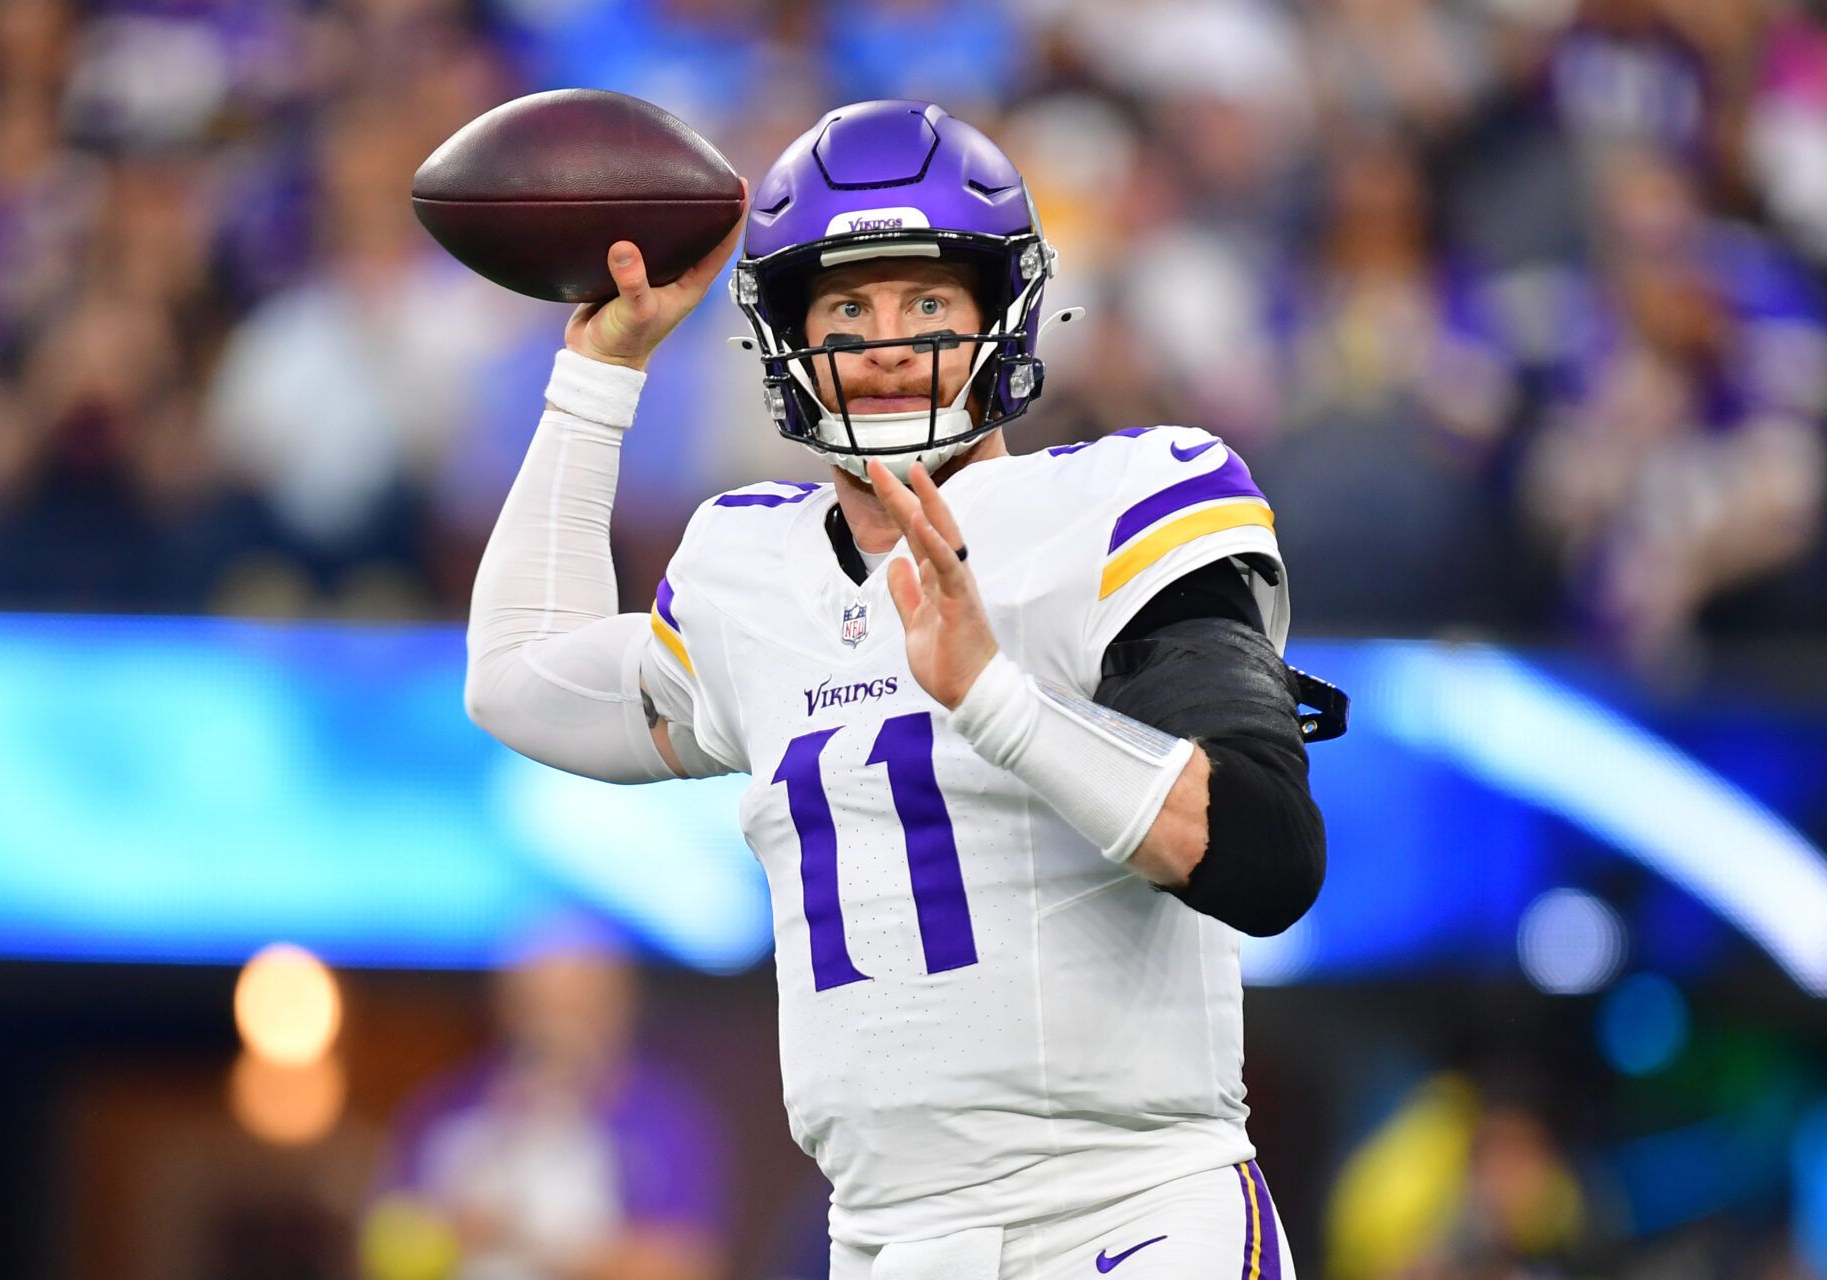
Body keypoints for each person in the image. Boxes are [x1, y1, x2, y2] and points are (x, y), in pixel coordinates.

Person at [466, 100, 1339, 1279]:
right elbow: (520, 678)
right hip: (890, 1238)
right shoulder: (746, 566)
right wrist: (598, 376)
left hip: (1129, 1208)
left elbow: (1267, 852)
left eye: (928, 301)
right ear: (788, 335)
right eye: (847, 308)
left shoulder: (1117, 502)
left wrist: (995, 701)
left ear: (1001, 317)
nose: (886, 343)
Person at [360, 925, 728, 1280]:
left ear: (621, 1008)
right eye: (540, 1007)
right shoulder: (446, 1111)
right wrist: (452, 1231)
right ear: (506, 1008)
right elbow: (379, 1248)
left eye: (581, 1008)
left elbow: (687, 1265)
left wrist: (531, 1237)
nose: (559, 1027)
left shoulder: (663, 1120)